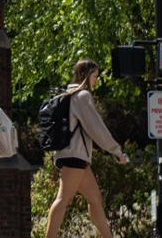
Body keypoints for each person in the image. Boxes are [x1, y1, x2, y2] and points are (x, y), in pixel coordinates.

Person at [43, 59, 128, 238]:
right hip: (75, 156)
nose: (96, 80)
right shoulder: (82, 96)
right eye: (95, 76)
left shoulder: (68, 95)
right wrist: (116, 151)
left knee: (95, 200)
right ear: (87, 76)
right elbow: (96, 129)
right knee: (62, 199)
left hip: (73, 156)